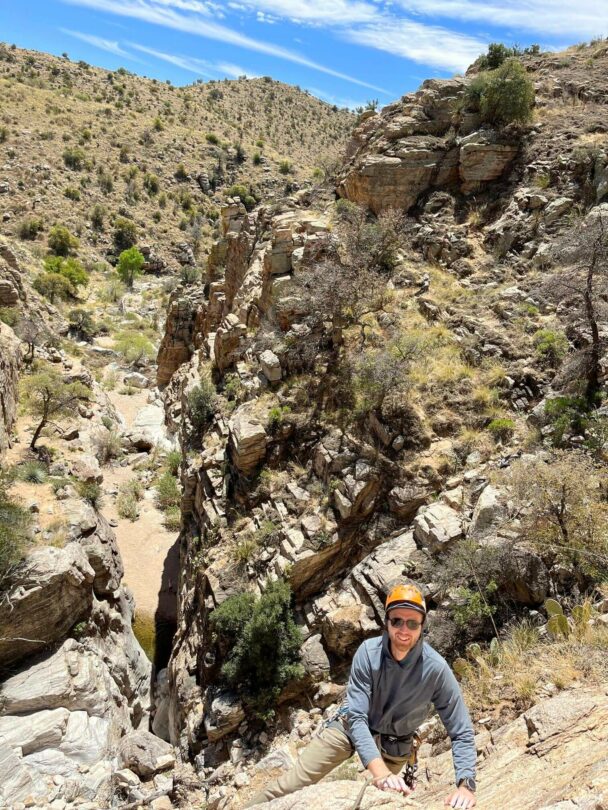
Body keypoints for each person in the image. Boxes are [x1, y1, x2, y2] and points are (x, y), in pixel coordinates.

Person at [245, 580, 477, 808]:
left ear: (422, 626)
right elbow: (357, 718)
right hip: (349, 727)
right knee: (290, 785)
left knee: (380, 800)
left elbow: (461, 730)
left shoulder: (436, 669)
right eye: (396, 621)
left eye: (412, 623)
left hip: (394, 742)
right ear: (386, 622)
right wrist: (381, 773)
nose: (404, 629)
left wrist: (465, 785)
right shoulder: (368, 653)